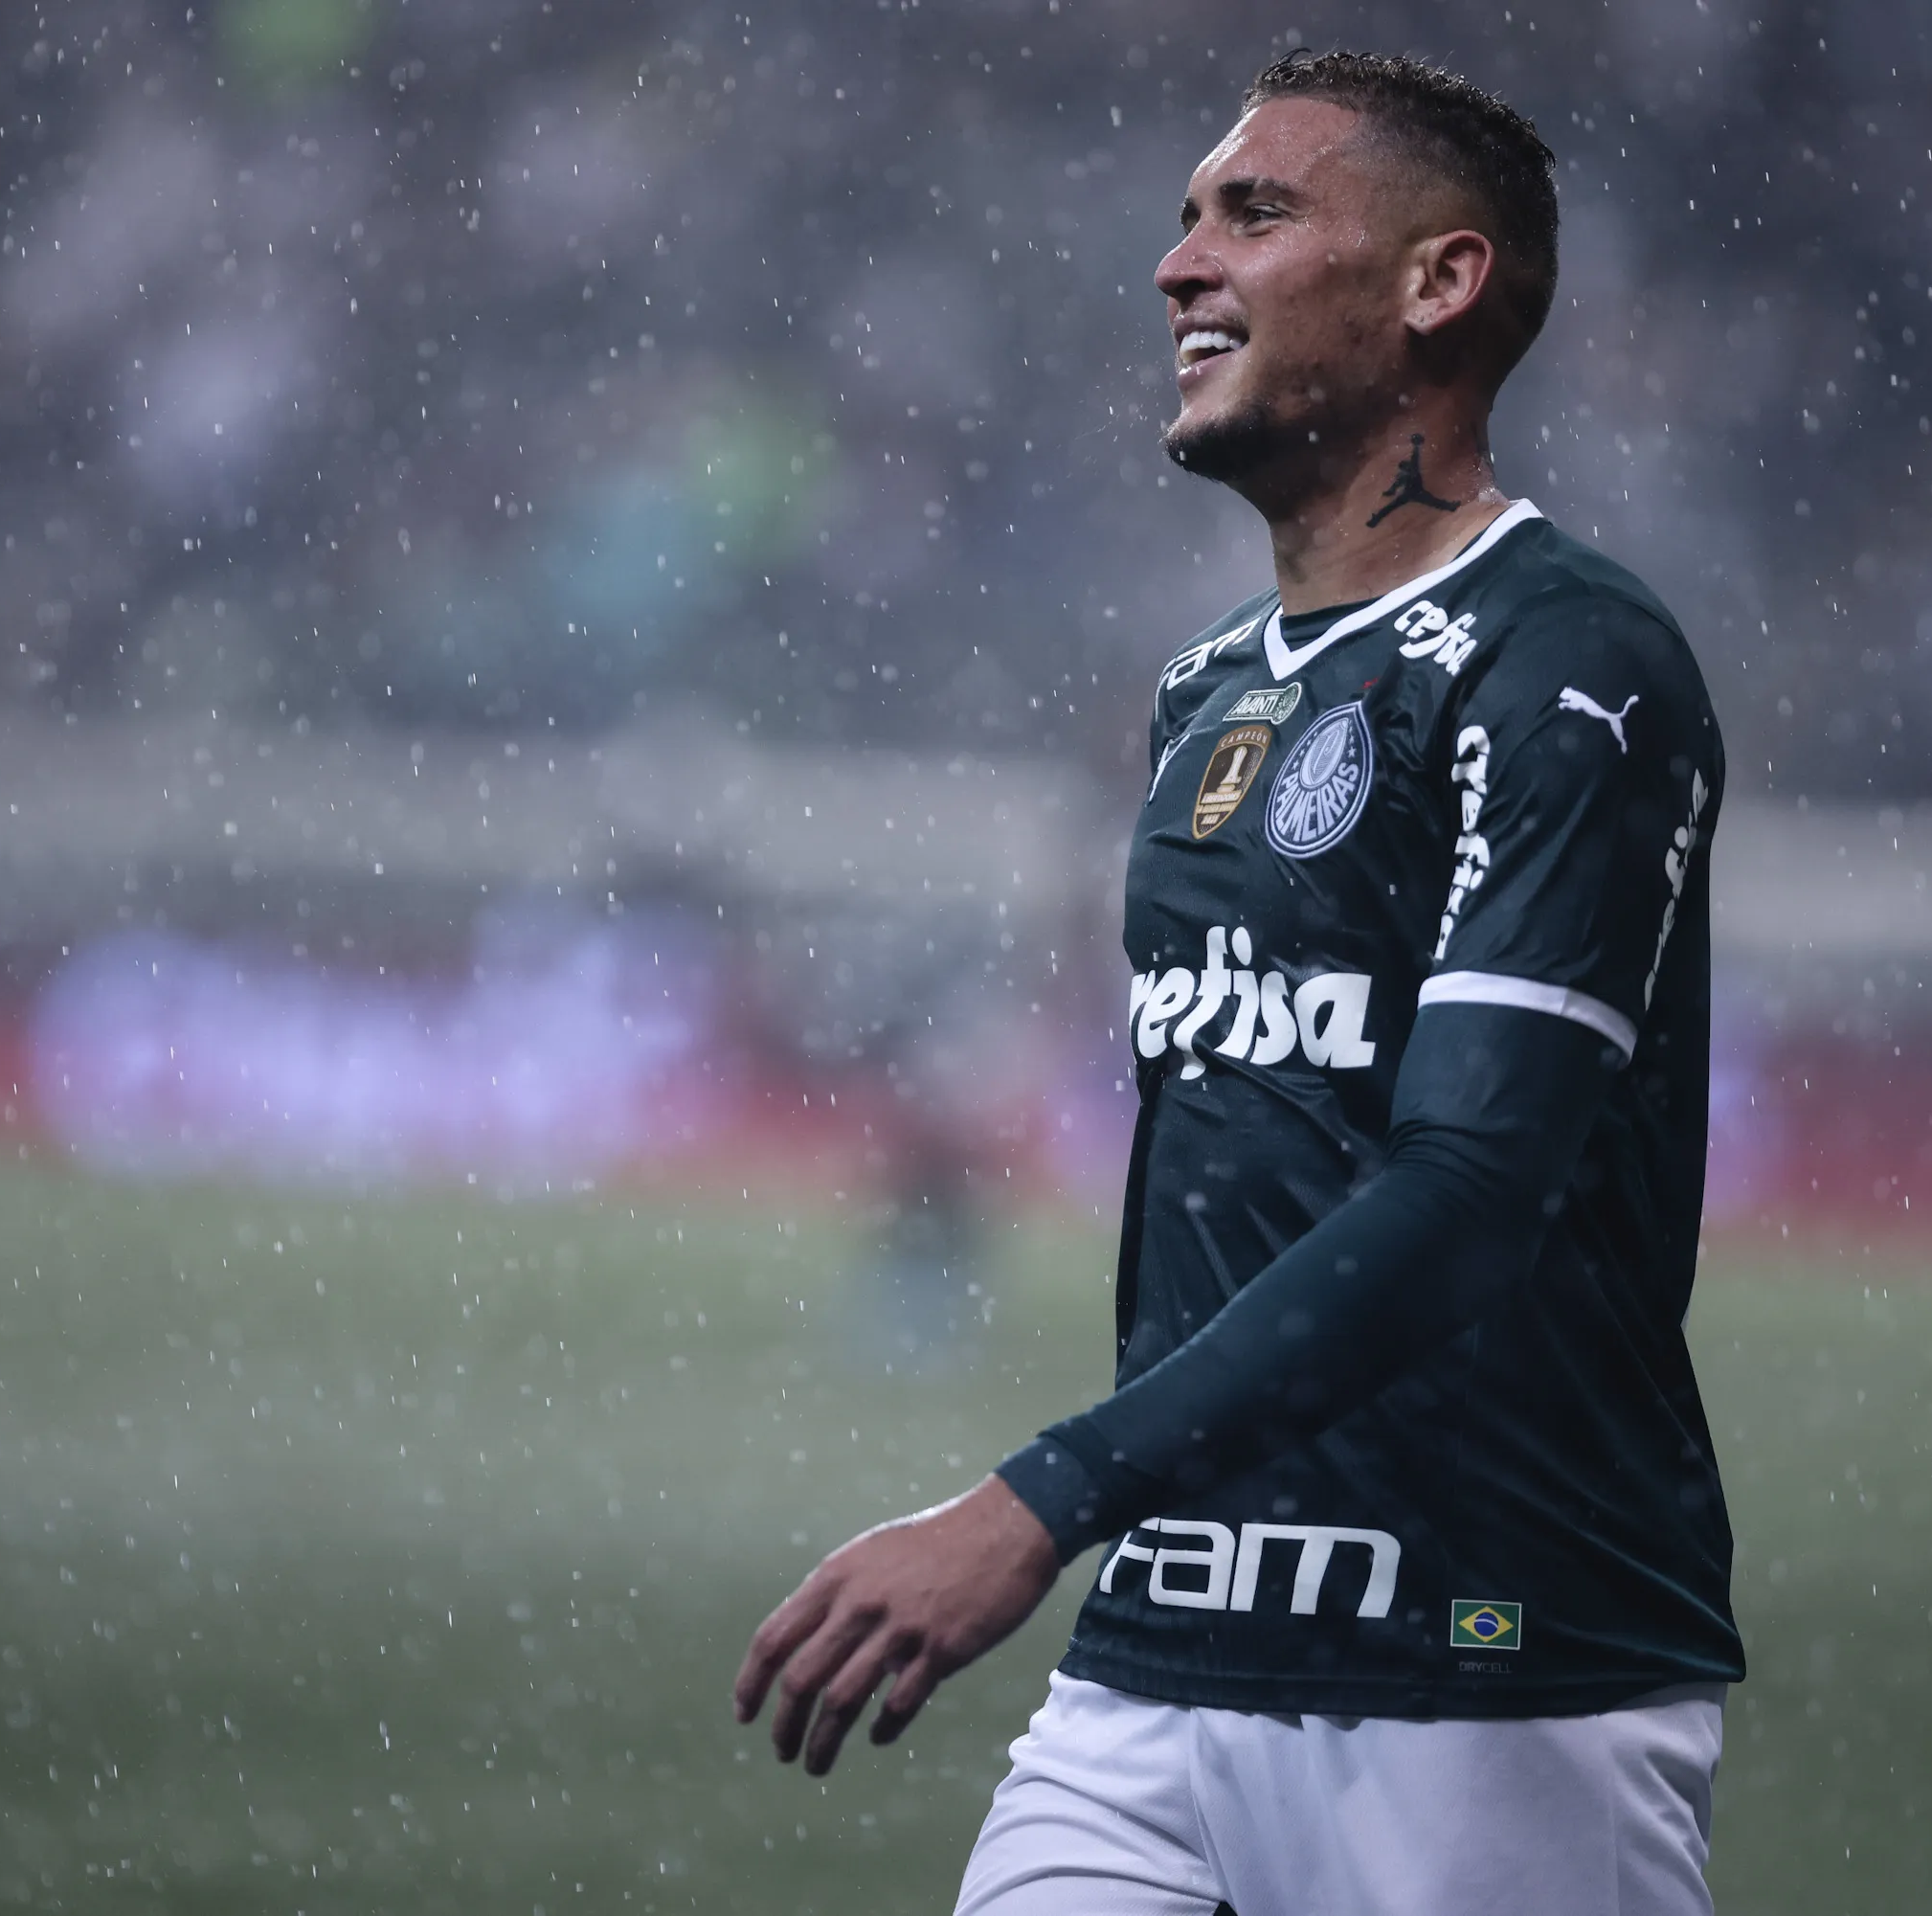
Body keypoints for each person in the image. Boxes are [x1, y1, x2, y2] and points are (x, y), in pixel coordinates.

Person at [735, 50, 1742, 1914]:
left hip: (1485, 1657)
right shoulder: (1214, 689)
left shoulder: (1567, 663)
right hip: (1159, 1655)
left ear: (1439, 283)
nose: (1177, 265)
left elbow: (1464, 1197)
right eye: (1187, 216)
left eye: (1253, 215)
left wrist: (1041, 1495)